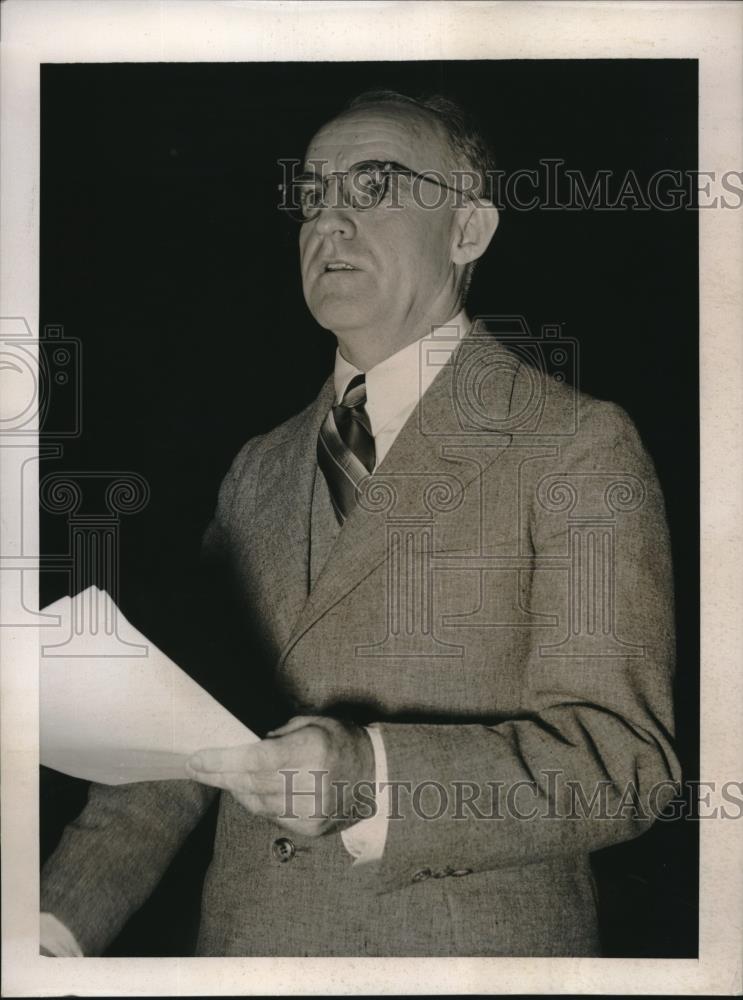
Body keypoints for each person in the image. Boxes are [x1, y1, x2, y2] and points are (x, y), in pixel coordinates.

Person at [40, 89, 679, 957]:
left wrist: (366, 778)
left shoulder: (574, 443)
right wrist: (52, 923)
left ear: (467, 231)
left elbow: (621, 767)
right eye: (310, 194)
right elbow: (184, 739)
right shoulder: (256, 468)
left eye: (373, 185)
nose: (327, 221)